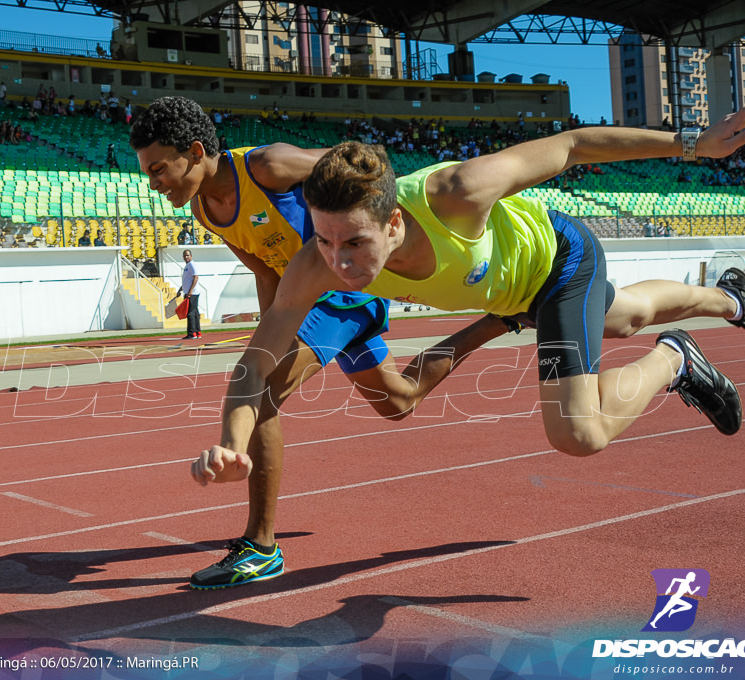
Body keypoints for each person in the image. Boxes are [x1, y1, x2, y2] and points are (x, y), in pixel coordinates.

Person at [206, 102, 745, 496]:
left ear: (396, 224)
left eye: (356, 242)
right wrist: (232, 442)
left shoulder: (457, 192)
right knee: (629, 315)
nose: (341, 262)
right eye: (326, 241)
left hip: (558, 261)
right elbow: (257, 360)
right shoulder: (316, 264)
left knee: (577, 433)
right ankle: (731, 299)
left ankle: (677, 358)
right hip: (512, 291)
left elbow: (573, 144)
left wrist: (690, 144)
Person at [131, 96, 510, 589]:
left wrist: (373, 239)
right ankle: (499, 322)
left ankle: (260, 547)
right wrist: (271, 335)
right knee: (398, 402)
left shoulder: (267, 166)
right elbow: (265, 269)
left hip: (345, 294)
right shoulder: (206, 209)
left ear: (196, 151)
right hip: (308, 305)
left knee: (261, 394)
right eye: (147, 173)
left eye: (159, 169)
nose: (154, 183)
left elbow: (362, 161)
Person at [177, 249, 201, 340]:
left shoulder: (192, 265)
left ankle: (192, 333)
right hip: (188, 291)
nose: (186, 257)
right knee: (194, 313)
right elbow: (186, 281)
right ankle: (197, 332)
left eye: (187, 255)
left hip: (192, 293)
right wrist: (180, 290)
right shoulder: (187, 266)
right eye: (184, 256)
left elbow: (196, 277)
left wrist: (190, 291)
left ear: (191, 256)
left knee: (190, 313)